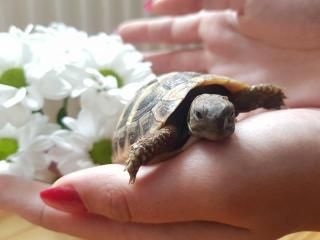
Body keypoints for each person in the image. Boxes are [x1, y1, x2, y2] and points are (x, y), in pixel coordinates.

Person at [1, 1, 320, 239]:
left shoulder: (228, 102)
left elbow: (249, 97)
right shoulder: (168, 130)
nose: (218, 124)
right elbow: (152, 139)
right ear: (193, 116)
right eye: (202, 117)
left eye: (226, 116)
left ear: (230, 108)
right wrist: (137, 155)